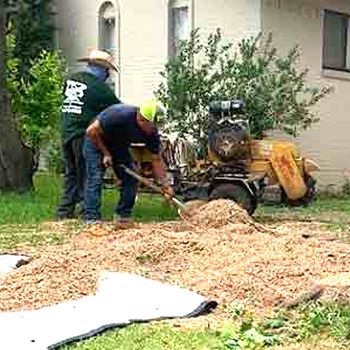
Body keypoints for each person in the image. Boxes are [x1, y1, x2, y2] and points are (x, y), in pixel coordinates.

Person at [83, 98, 174, 223]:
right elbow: (91, 131)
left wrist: (165, 185)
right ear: (142, 119)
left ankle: (122, 216)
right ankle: (91, 218)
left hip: (118, 146)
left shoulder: (151, 134)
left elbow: (156, 159)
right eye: (154, 125)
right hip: (96, 142)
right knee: (96, 177)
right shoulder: (118, 115)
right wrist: (106, 153)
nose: (156, 129)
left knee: (131, 178)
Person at [56, 49, 121, 220]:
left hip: (66, 131)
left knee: (71, 173)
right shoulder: (99, 88)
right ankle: (87, 211)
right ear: (101, 69)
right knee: (87, 173)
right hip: (81, 133)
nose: (108, 75)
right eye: (107, 71)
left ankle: (64, 211)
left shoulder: (71, 79)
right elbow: (118, 111)